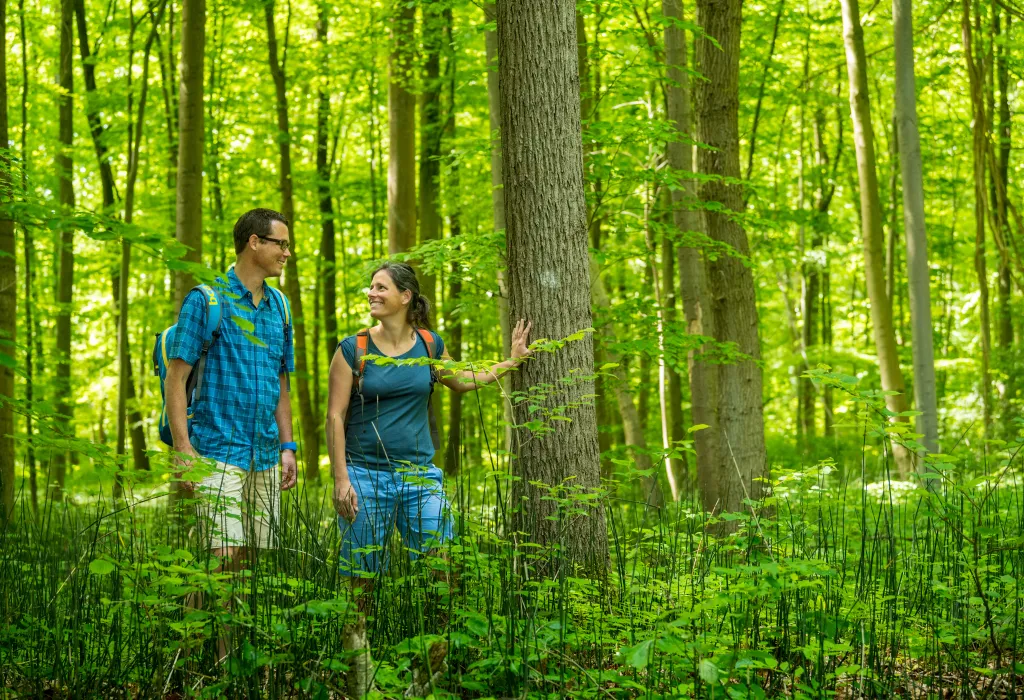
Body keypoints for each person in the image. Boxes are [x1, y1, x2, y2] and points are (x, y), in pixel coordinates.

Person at [325, 261, 531, 598]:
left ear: (405, 296)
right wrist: (341, 480)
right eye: (371, 287)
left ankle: (437, 650)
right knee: (360, 581)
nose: (371, 293)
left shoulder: (429, 344)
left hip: (419, 477)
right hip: (364, 477)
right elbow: (335, 416)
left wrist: (511, 361)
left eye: (380, 287)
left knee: (442, 568)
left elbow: (462, 380)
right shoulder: (353, 349)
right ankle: (358, 650)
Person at [165, 208, 298, 656]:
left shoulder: (280, 306)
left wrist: (288, 446)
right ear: (254, 243)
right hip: (215, 448)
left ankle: (217, 646)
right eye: (280, 243)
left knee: (247, 559)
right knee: (223, 555)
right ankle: (207, 658)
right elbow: (176, 378)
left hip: (263, 451)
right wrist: (183, 450)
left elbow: (282, 382)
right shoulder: (206, 300)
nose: (287, 252)